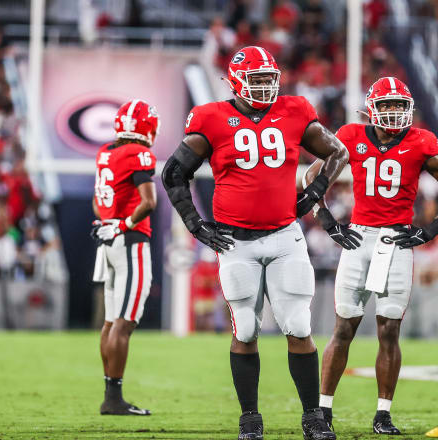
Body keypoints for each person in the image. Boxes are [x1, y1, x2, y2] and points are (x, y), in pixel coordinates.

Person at [161, 46, 346, 440]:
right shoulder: (211, 117)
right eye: (256, 79)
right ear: (235, 81)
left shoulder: (295, 110)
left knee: (298, 324)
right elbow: (174, 174)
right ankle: (250, 419)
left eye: (268, 79)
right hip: (235, 241)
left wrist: (313, 194)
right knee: (245, 328)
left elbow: (337, 152)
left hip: (284, 236)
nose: (264, 86)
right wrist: (194, 224)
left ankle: (313, 418)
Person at [303, 76, 438, 435]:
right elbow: (312, 177)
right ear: (371, 109)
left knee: (389, 330)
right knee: (344, 326)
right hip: (358, 239)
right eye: (386, 105)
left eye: (398, 105)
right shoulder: (350, 136)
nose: (393, 112)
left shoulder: (422, 141)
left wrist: (434, 229)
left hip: (397, 242)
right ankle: (323, 411)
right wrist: (328, 221)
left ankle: (382, 414)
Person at [91, 99, 158, 416]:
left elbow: (97, 201)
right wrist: (125, 224)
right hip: (130, 242)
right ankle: (114, 399)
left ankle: (110, 395)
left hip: (109, 243)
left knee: (110, 321)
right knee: (124, 322)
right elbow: (148, 202)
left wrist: (110, 223)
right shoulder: (138, 153)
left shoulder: (106, 152)